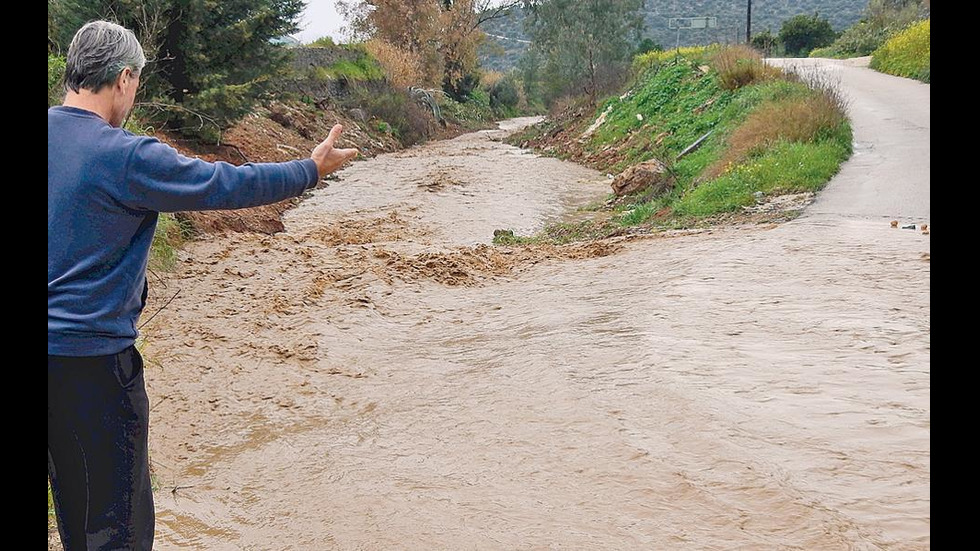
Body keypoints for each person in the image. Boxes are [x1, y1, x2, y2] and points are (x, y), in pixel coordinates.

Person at [48, 20, 358, 549]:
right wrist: (310, 169)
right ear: (124, 79)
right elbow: (223, 184)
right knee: (115, 528)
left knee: (72, 509)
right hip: (94, 367)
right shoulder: (125, 156)